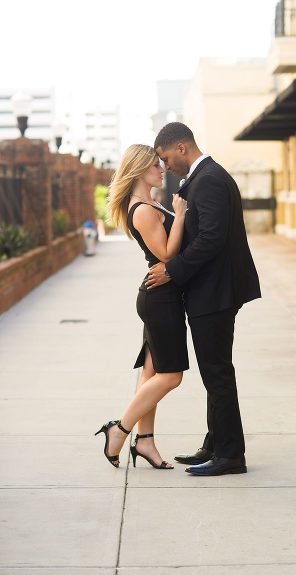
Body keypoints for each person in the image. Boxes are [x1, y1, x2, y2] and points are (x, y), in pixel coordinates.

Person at [145, 122, 261, 476]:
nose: (165, 167)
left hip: (216, 292)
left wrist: (172, 270)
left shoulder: (208, 179)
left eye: (165, 158)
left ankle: (230, 456)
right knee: (215, 371)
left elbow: (210, 238)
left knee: (217, 372)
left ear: (181, 147)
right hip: (211, 290)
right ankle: (215, 444)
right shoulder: (202, 178)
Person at [96, 144, 189, 469]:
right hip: (159, 299)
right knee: (171, 375)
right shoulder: (144, 209)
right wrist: (181, 216)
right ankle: (119, 430)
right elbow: (166, 255)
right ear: (138, 170)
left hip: (160, 295)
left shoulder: (148, 204)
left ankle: (145, 442)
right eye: (155, 165)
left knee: (151, 373)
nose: (162, 169)